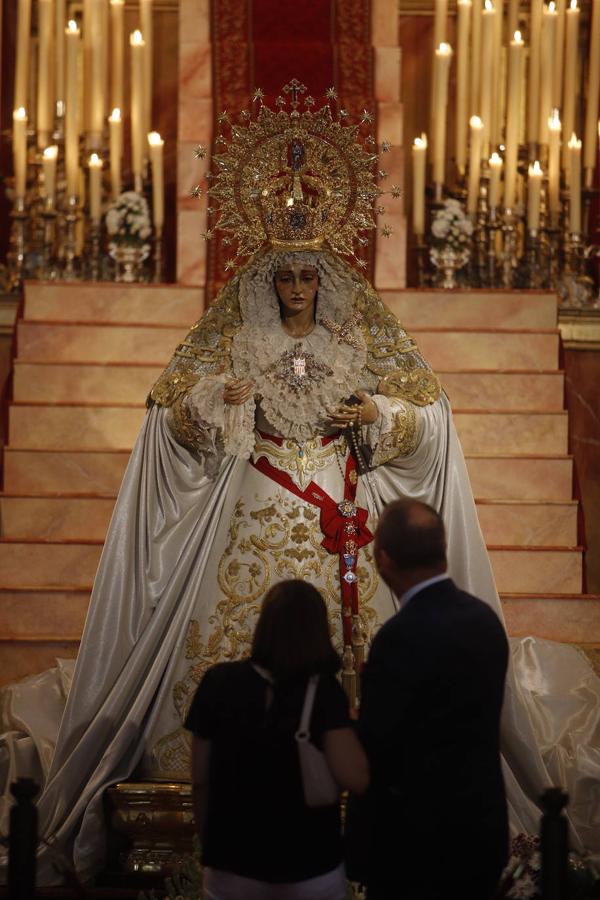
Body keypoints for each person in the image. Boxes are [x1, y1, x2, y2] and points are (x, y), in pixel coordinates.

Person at [0, 83, 599, 883]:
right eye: (283, 277)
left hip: (340, 512)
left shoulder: (360, 336)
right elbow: (169, 418)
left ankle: (353, 770)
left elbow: (430, 414)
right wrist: (218, 403)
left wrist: (375, 412)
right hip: (254, 498)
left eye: (307, 277)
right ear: (265, 278)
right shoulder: (234, 339)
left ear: (324, 278)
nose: (295, 289)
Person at [346, 499, 509, 900]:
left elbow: (379, 748)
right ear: (442, 550)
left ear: (383, 559)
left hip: (416, 843)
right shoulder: (485, 621)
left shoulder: (400, 636)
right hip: (480, 829)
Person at [185, 579, 368, 900]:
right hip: (309, 862)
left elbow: (200, 779)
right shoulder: (324, 692)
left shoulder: (218, 683)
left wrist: (210, 841)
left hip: (233, 861)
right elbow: (354, 776)